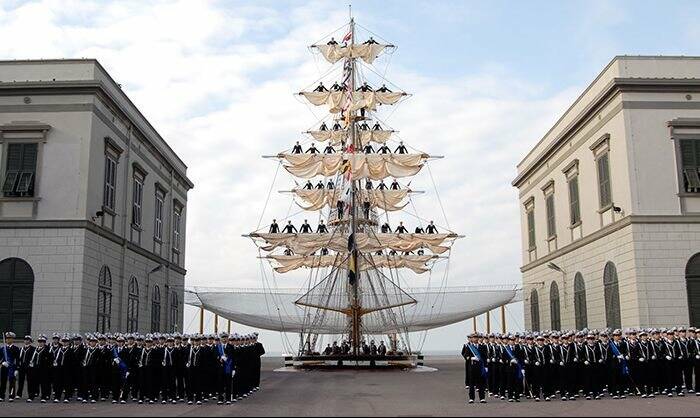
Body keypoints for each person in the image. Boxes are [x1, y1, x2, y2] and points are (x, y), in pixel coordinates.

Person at [462, 333, 487, 404]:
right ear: (472, 339)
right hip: (472, 367)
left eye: (476, 337)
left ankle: (482, 398)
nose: (475, 338)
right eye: (474, 337)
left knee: (481, 383)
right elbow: (465, 356)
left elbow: (485, 357)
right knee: (471, 384)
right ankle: (471, 398)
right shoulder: (469, 347)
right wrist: (472, 358)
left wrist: (485, 366)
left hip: (480, 367)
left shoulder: (482, 347)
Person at [1, 332, 20, 402]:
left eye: (9, 338)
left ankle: (11, 396)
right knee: (3, 381)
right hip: (4, 367)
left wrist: (17, 369)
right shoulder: (3, 348)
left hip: (12, 367)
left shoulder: (16, 349)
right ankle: (2, 396)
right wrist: (2, 362)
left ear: (12, 339)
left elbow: (18, 359)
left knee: (12, 382)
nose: (7, 340)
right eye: (7, 338)